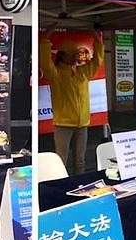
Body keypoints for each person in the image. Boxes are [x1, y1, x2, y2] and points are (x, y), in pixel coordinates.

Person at [38, 34, 103, 174]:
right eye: (72, 54)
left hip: (83, 124)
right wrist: (46, 39)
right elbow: (44, 60)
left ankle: (79, 187)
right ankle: (61, 188)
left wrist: (98, 41)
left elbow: (97, 60)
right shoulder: (55, 73)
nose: (76, 57)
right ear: (62, 56)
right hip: (63, 125)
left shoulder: (83, 72)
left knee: (80, 161)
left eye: (76, 54)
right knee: (61, 161)